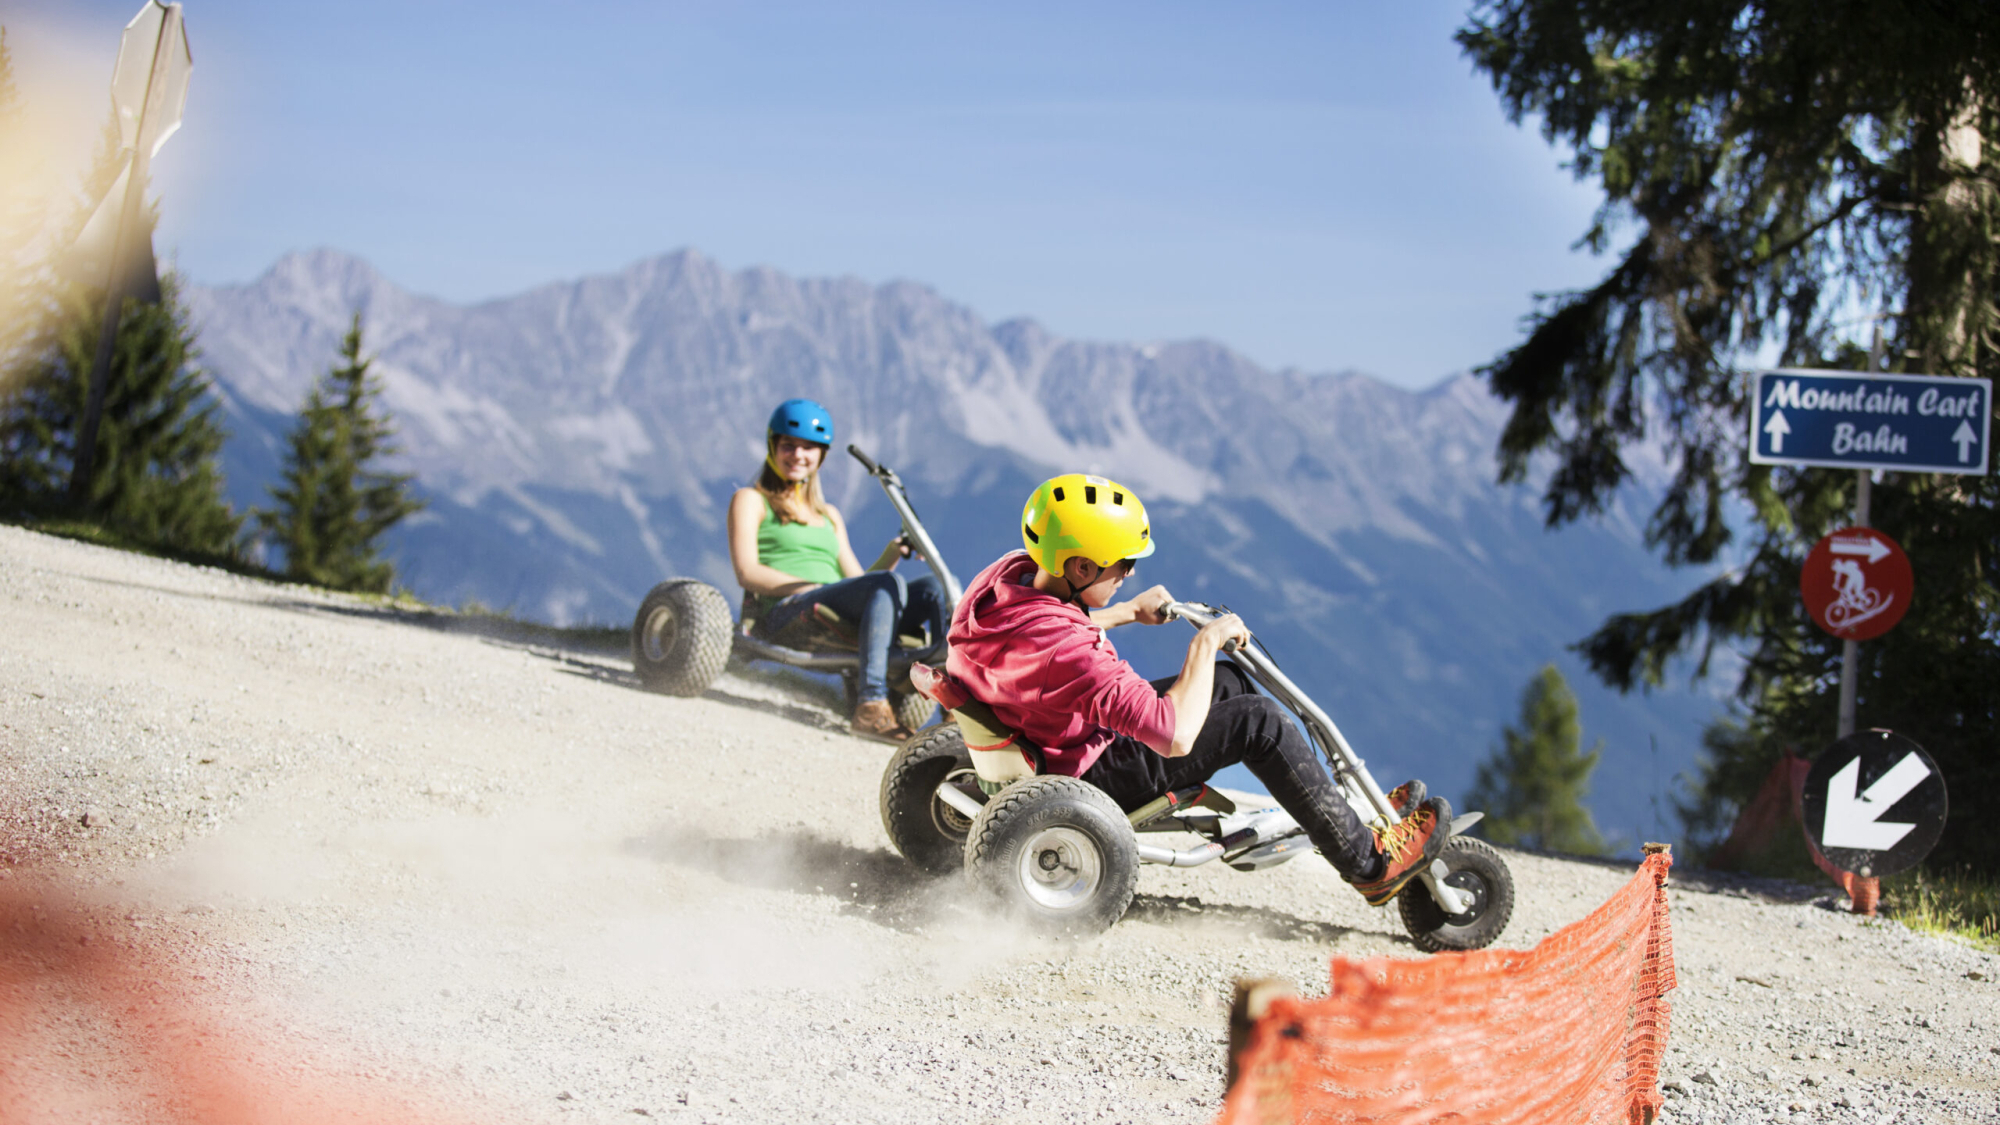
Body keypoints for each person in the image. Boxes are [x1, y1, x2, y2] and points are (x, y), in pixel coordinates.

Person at [945, 472, 1452, 906]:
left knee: (1229, 684)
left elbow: (1044, 638)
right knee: (1260, 721)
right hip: (1084, 775)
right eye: (1124, 563)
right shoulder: (1072, 653)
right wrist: (1207, 641)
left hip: (1039, 737)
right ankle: (1369, 865)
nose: (1130, 573)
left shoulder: (1003, 581)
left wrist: (1125, 612)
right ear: (1081, 568)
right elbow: (1174, 738)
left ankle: (1338, 817)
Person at [728, 399, 946, 742]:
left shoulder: (828, 515)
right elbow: (747, 572)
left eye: (809, 448)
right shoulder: (751, 500)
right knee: (884, 586)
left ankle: (954, 705)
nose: (798, 455)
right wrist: (805, 586)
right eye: (789, 445)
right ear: (773, 447)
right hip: (791, 610)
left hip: (835, 604)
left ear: (821, 456)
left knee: (936, 587)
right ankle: (872, 704)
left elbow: (863, 583)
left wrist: (892, 553)